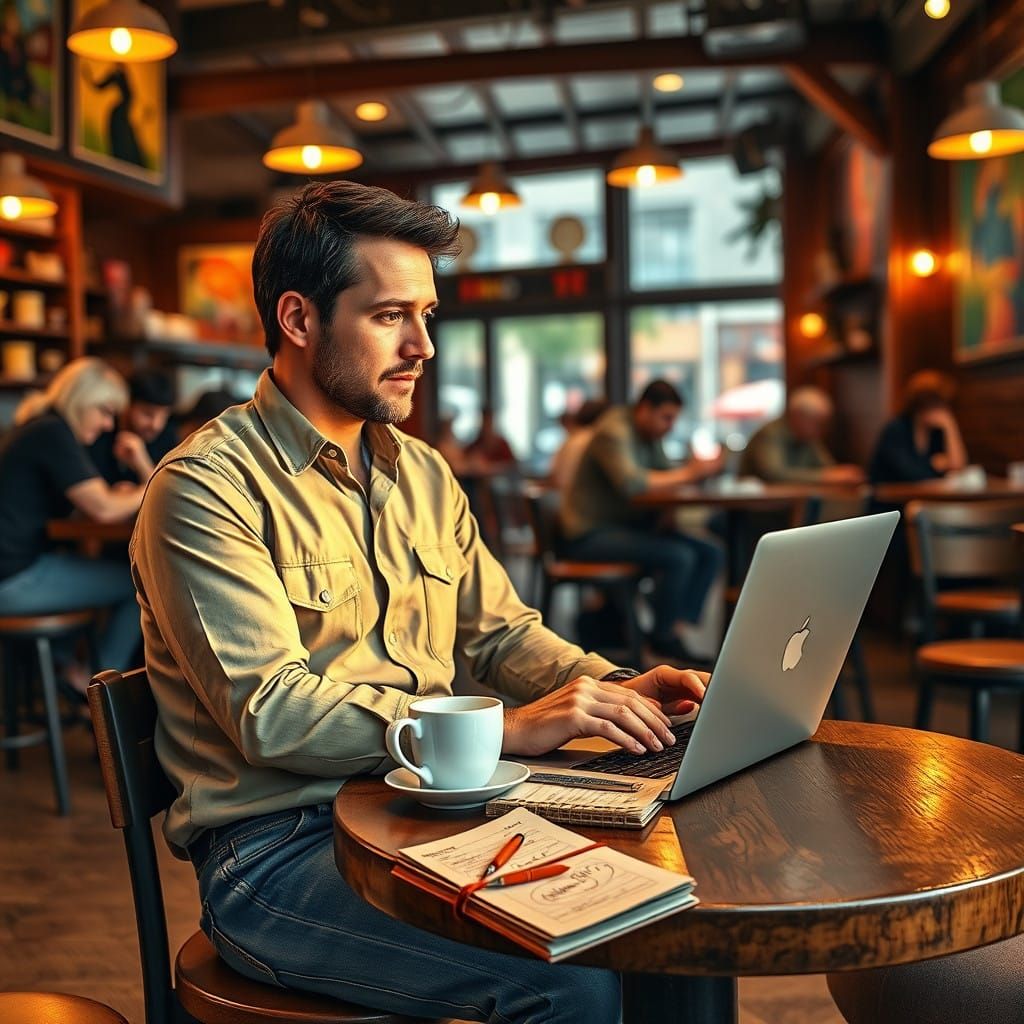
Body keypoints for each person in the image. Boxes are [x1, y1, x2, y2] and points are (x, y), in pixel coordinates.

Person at [130, 181, 707, 1024]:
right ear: (299, 319)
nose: (424, 346)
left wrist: (617, 685)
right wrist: (498, 730)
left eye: (426, 315)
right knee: (574, 978)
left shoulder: (423, 473)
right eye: (391, 315)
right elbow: (272, 711)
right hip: (278, 853)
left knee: (670, 920)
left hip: (431, 810)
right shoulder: (205, 490)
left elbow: (502, 635)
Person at [0, 358, 150, 691]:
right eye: (106, 411)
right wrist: (147, 488)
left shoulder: (38, 426)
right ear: (83, 399)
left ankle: (66, 666)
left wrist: (119, 495)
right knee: (138, 582)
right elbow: (103, 508)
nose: (109, 424)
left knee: (102, 571)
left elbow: (91, 503)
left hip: (15, 569)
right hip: (13, 577)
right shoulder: (53, 432)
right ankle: (97, 690)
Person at [560, 380, 725, 661]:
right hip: (590, 534)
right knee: (679, 556)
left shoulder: (649, 435)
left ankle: (671, 625)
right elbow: (633, 484)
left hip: (626, 527)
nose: (670, 426)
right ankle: (662, 637)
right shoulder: (613, 432)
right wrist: (692, 472)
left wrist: (689, 477)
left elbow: (663, 476)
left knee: (711, 552)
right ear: (645, 409)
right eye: (666, 418)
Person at [738, 386, 864, 484]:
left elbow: (828, 469)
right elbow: (774, 474)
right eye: (817, 423)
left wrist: (839, 474)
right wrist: (826, 477)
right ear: (797, 416)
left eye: (824, 424)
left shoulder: (809, 438)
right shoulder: (770, 434)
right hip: (759, 512)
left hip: (791, 506)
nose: (822, 430)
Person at [868, 370, 967, 483]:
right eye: (939, 404)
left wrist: (950, 427)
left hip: (921, 497)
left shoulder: (936, 432)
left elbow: (958, 469)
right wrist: (932, 464)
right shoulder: (896, 430)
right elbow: (913, 475)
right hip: (890, 498)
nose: (944, 412)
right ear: (921, 404)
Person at [89, 368, 178, 484]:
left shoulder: (168, 437)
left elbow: (168, 494)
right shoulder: (103, 429)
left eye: (164, 415)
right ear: (127, 405)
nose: (156, 425)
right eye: (147, 413)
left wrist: (142, 462)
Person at [548, 397, 608, 492]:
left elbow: (554, 476)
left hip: (564, 500)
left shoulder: (570, 440)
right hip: (583, 502)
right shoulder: (592, 440)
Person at [464, 405, 516, 473]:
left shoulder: (502, 444)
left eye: (488, 422)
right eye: (484, 421)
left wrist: (490, 467)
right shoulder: (476, 444)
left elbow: (512, 465)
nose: (486, 425)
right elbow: (465, 461)